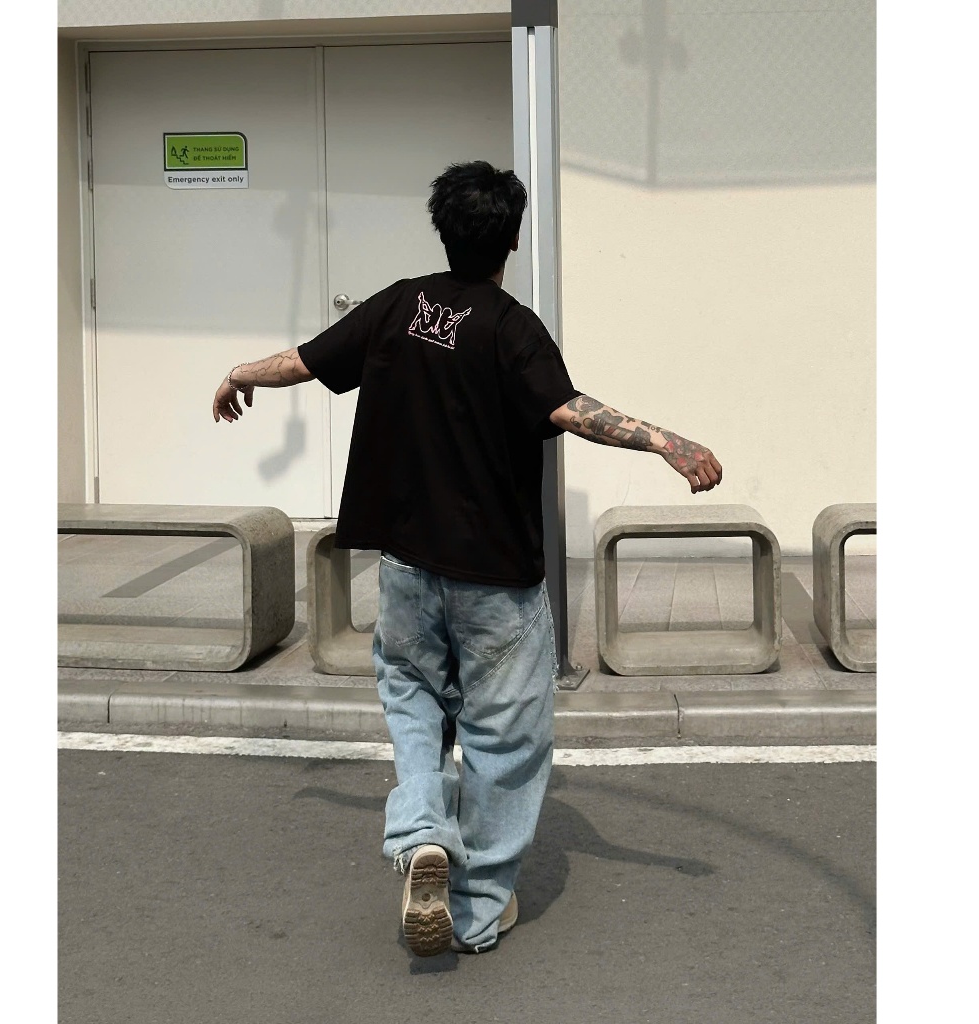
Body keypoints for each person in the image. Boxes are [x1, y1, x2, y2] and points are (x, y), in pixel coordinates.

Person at [212, 160, 722, 957]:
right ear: (511, 240)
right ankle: (476, 910)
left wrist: (239, 373)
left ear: (442, 230)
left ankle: (422, 831)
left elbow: (307, 360)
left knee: (413, 702)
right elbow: (569, 410)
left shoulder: (399, 305)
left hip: (407, 569)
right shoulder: (512, 328)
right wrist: (666, 441)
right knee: (503, 740)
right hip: (495, 581)